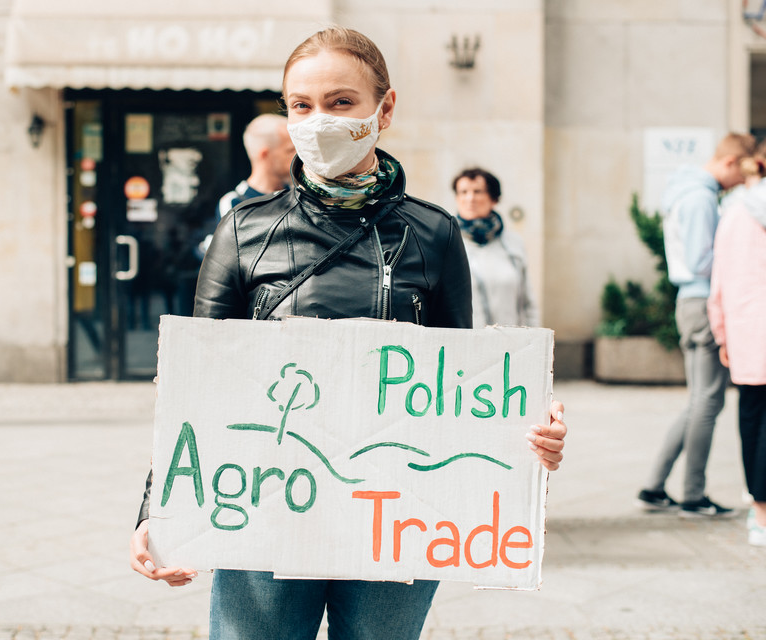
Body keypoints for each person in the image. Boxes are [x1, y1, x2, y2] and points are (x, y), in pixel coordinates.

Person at [129, 27, 567, 639]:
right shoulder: (242, 232)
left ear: (384, 109)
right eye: (301, 106)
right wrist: (161, 508)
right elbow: (192, 391)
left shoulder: (435, 236)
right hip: (265, 504)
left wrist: (528, 437)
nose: (318, 122)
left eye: (341, 102)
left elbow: (460, 389)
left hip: (395, 516)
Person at [637, 132, 756, 517]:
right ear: (731, 162)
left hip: (689, 299)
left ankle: (655, 487)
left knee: (698, 401)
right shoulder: (702, 197)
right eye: (744, 172)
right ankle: (692, 494)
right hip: (703, 300)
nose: (744, 181)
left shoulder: (685, 189)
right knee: (708, 400)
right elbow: (703, 259)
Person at [707, 156, 766, 547]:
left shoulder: (735, 212)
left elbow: (720, 279)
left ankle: (759, 511)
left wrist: (722, 332)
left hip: (749, 329)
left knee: (753, 416)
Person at [451, 167, 539, 327]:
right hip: (466, 345)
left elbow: (528, 303)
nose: (470, 198)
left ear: (494, 199)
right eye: (463, 192)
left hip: (511, 345)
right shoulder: (448, 242)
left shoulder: (513, 243)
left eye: (478, 191)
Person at [198, 113, 295, 256]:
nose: (298, 155)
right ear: (265, 155)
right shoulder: (234, 204)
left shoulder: (299, 196)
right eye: (290, 150)